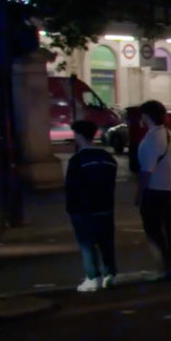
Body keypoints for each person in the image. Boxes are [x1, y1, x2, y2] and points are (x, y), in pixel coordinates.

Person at [64, 120, 119, 291]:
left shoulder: (77, 160)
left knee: (87, 244)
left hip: (84, 208)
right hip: (105, 206)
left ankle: (92, 276)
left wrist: (71, 208)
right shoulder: (107, 158)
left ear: (79, 135)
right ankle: (110, 274)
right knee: (106, 242)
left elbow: (71, 187)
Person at [136, 100, 171, 281]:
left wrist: (140, 193)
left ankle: (163, 267)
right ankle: (168, 265)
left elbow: (147, 170)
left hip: (155, 188)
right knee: (168, 228)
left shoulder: (152, 138)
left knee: (153, 230)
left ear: (147, 116)